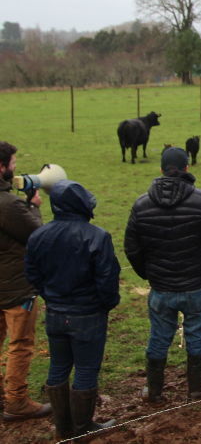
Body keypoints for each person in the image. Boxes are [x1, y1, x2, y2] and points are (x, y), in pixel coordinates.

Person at [124, 147, 201, 403]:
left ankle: (155, 390)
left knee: (159, 336)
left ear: (161, 170)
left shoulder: (141, 204)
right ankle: (195, 388)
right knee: (196, 333)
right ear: (187, 169)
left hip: (161, 287)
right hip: (196, 284)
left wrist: (148, 274)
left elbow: (131, 247)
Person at [25, 181, 119, 439]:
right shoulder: (97, 236)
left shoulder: (39, 235)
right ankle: (83, 427)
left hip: (55, 313)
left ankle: (64, 428)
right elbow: (107, 277)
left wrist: (51, 296)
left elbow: (32, 273)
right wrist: (105, 304)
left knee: (58, 365)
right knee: (87, 368)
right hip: (87, 314)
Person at [0, 141, 51, 421]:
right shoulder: (9, 205)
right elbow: (37, 236)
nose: (15, 167)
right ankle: (16, 401)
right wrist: (33, 206)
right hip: (15, 288)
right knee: (20, 344)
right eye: (13, 163)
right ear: (2, 166)